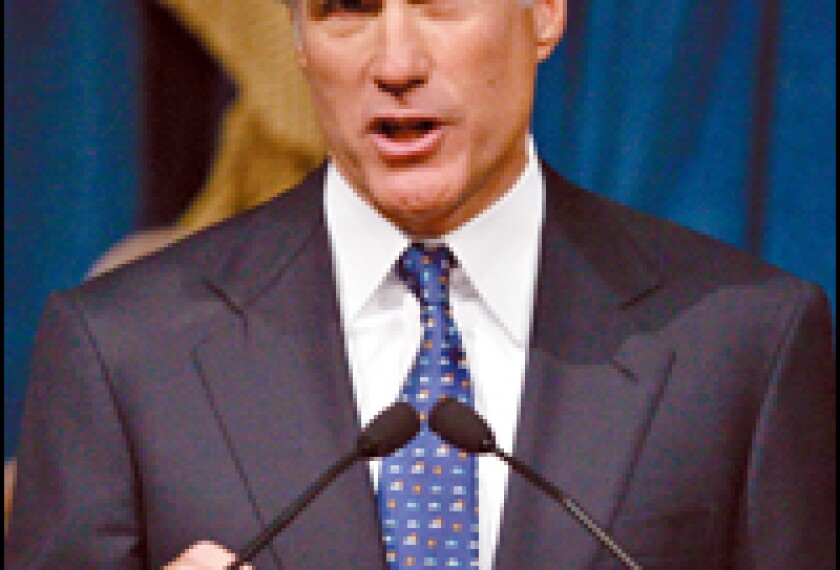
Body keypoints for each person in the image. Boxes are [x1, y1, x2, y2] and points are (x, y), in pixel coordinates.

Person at [6, 0, 835, 569]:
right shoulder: (120, 353)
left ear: (543, 12)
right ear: (297, 36)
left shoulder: (744, 344)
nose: (395, 62)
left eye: (441, 1)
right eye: (346, 8)